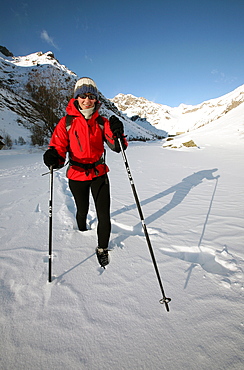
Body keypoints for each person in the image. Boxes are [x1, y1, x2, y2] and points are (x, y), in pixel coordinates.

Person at [43, 77, 127, 268]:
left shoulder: (102, 122)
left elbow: (117, 146)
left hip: (99, 174)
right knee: (82, 210)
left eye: (91, 96)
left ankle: (102, 248)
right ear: (76, 98)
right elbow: (58, 149)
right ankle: (81, 230)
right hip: (77, 175)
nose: (86, 100)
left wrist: (118, 133)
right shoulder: (66, 123)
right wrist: (52, 158)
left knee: (103, 214)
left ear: (96, 99)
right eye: (82, 96)